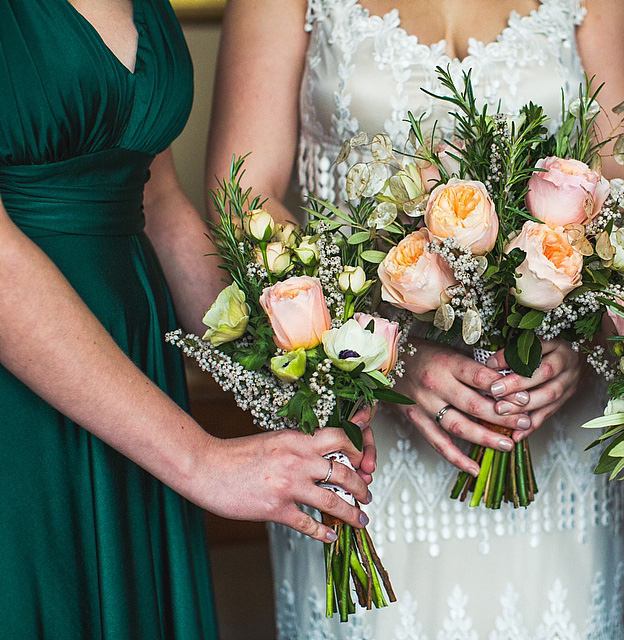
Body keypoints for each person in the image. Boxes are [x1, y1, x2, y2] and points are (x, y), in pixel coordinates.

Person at [206, 0, 624, 637]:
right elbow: (244, 201)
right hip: (360, 428)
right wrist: (389, 356)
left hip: (549, 429)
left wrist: (581, 337)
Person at [0, 1, 375, 637]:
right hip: (24, 395)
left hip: (137, 379)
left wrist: (290, 375)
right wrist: (201, 461)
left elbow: (158, 196)